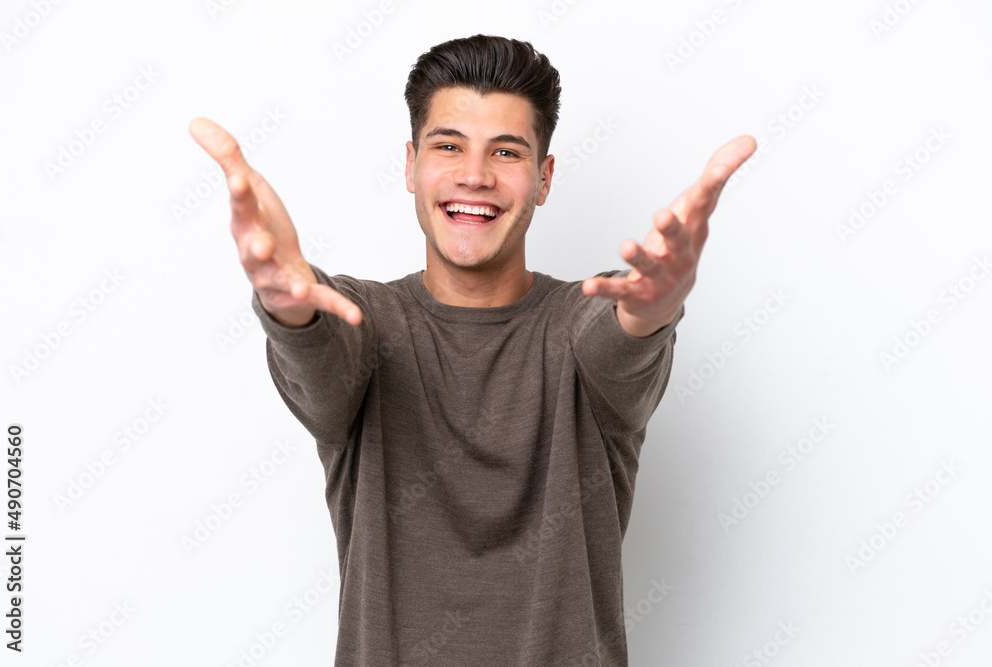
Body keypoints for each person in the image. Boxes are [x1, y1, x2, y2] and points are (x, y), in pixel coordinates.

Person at [190, 33, 754, 667]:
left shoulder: (580, 325)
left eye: (506, 152)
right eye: (448, 145)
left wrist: (655, 305)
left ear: (543, 178)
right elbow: (320, 351)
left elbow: (623, 335)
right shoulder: (363, 324)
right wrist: (287, 305)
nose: (475, 176)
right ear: (411, 166)